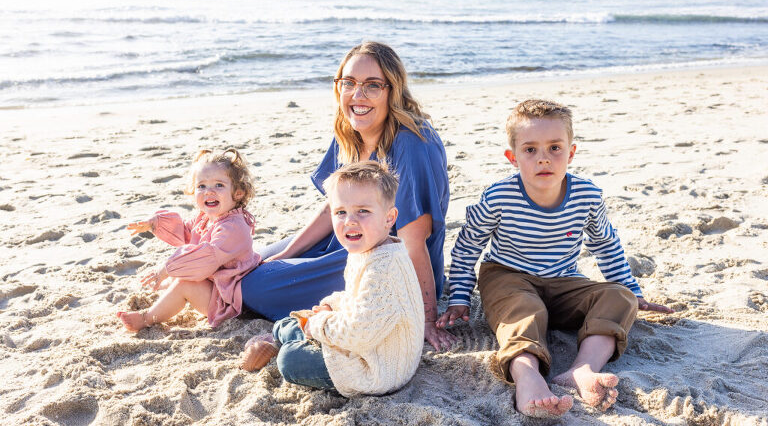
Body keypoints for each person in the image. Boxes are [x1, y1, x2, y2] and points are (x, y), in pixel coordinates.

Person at [436, 99, 674, 418]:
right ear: (513, 157)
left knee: (620, 297)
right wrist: (460, 296)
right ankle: (528, 376)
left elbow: (606, 244)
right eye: (530, 150)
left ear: (571, 153)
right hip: (507, 276)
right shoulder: (498, 197)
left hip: (563, 279)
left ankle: (581, 370)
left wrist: (634, 291)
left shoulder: (586, 196)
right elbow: (467, 247)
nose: (543, 159)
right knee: (526, 310)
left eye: (554, 148)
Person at [240, 41, 454, 350]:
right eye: (349, 83)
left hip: (384, 259)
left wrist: (426, 318)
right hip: (347, 233)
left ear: (392, 90)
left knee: (252, 285)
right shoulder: (350, 129)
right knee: (254, 260)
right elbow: (333, 208)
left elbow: (413, 241)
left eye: (372, 85)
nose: (358, 95)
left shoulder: (412, 144)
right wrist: (287, 254)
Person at [242, 162, 425, 397]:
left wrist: (318, 323)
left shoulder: (383, 268)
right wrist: (331, 306)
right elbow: (354, 297)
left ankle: (285, 344)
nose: (350, 221)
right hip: (365, 341)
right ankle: (282, 336)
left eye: (363, 211)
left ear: (389, 218)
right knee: (291, 322)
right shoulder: (367, 249)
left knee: (290, 360)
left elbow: (359, 333)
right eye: (340, 212)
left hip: (378, 368)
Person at [117, 148, 261, 331]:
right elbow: (185, 231)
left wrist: (166, 268)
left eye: (219, 185)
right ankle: (168, 298)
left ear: (238, 192)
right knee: (173, 281)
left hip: (231, 300)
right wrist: (155, 223)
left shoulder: (232, 227)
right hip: (216, 283)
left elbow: (203, 257)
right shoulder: (206, 217)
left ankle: (146, 318)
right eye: (201, 186)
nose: (209, 192)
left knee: (184, 284)